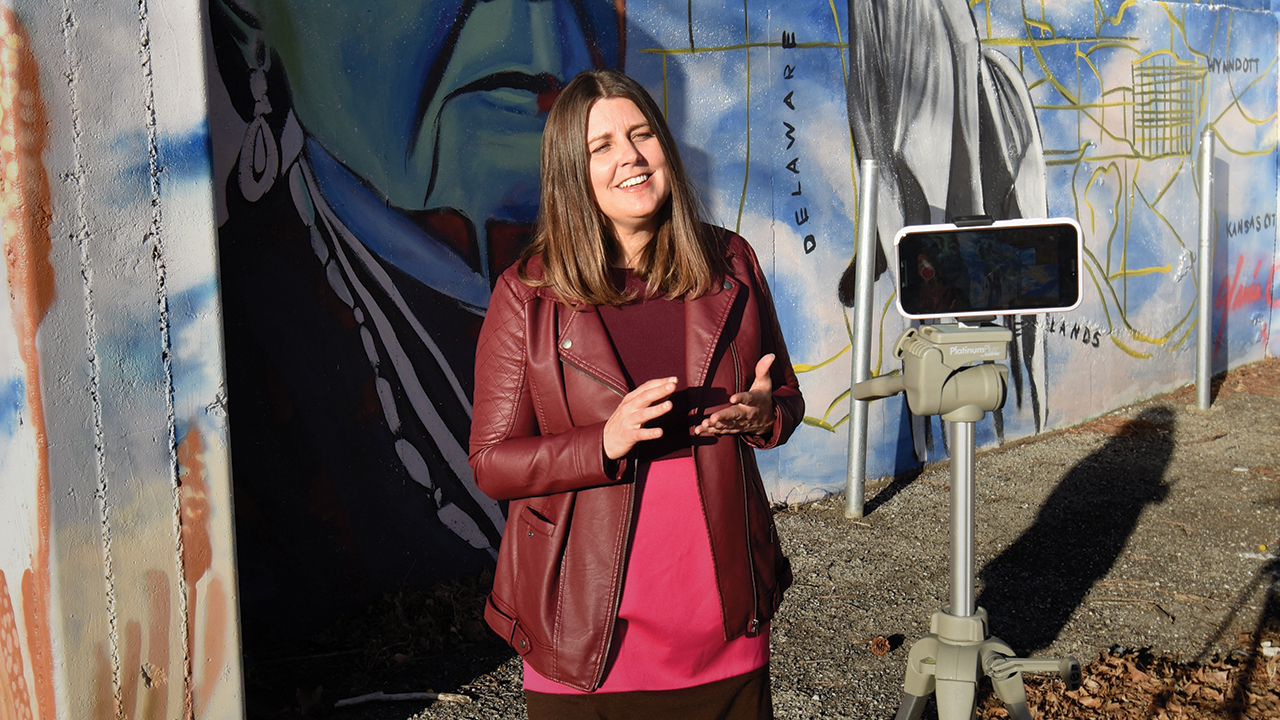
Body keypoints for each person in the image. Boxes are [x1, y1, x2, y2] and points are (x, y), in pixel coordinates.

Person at [469, 69, 804, 718]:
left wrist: (766, 415)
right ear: (573, 172)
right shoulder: (528, 294)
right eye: (601, 146)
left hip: (723, 621)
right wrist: (604, 441)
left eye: (642, 133)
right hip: (587, 632)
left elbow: (785, 395)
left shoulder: (730, 263)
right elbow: (492, 462)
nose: (630, 155)